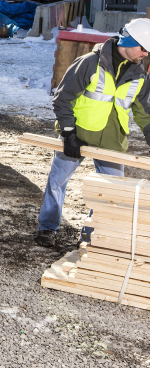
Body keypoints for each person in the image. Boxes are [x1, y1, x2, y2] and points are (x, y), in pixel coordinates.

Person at [37, 19, 150, 247]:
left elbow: (145, 112)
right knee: (56, 182)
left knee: (110, 194)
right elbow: (63, 98)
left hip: (112, 142)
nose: (146, 54)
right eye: (143, 48)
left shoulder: (140, 75)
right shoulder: (90, 63)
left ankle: (91, 236)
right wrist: (69, 134)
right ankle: (47, 228)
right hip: (77, 137)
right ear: (129, 41)